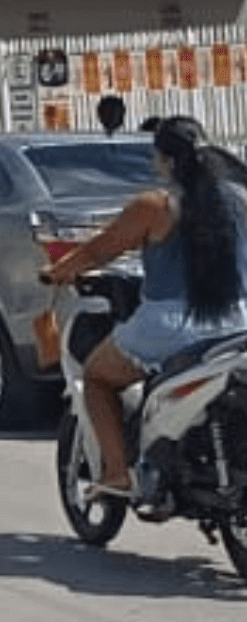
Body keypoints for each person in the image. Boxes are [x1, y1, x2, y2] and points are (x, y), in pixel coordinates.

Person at [41, 114, 247, 500]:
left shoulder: (154, 206)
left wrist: (58, 272)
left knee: (97, 378)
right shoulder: (240, 199)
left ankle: (117, 472)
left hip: (171, 328)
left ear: (166, 160)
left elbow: (100, 250)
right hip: (239, 322)